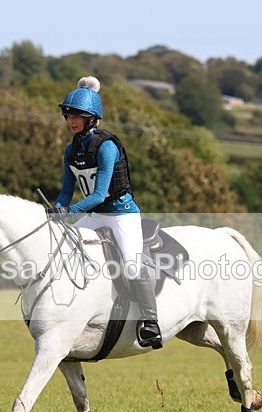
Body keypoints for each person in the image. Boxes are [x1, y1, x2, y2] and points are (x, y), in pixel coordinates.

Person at [48, 76, 162, 349]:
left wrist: (71, 210)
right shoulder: (71, 150)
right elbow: (66, 190)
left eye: (78, 115)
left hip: (121, 214)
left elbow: (100, 194)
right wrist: (56, 210)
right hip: (96, 214)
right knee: (63, 247)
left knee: (133, 265)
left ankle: (150, 322)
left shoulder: (107, 146)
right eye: (68, 114)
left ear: (93, 118)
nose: (71, 120)